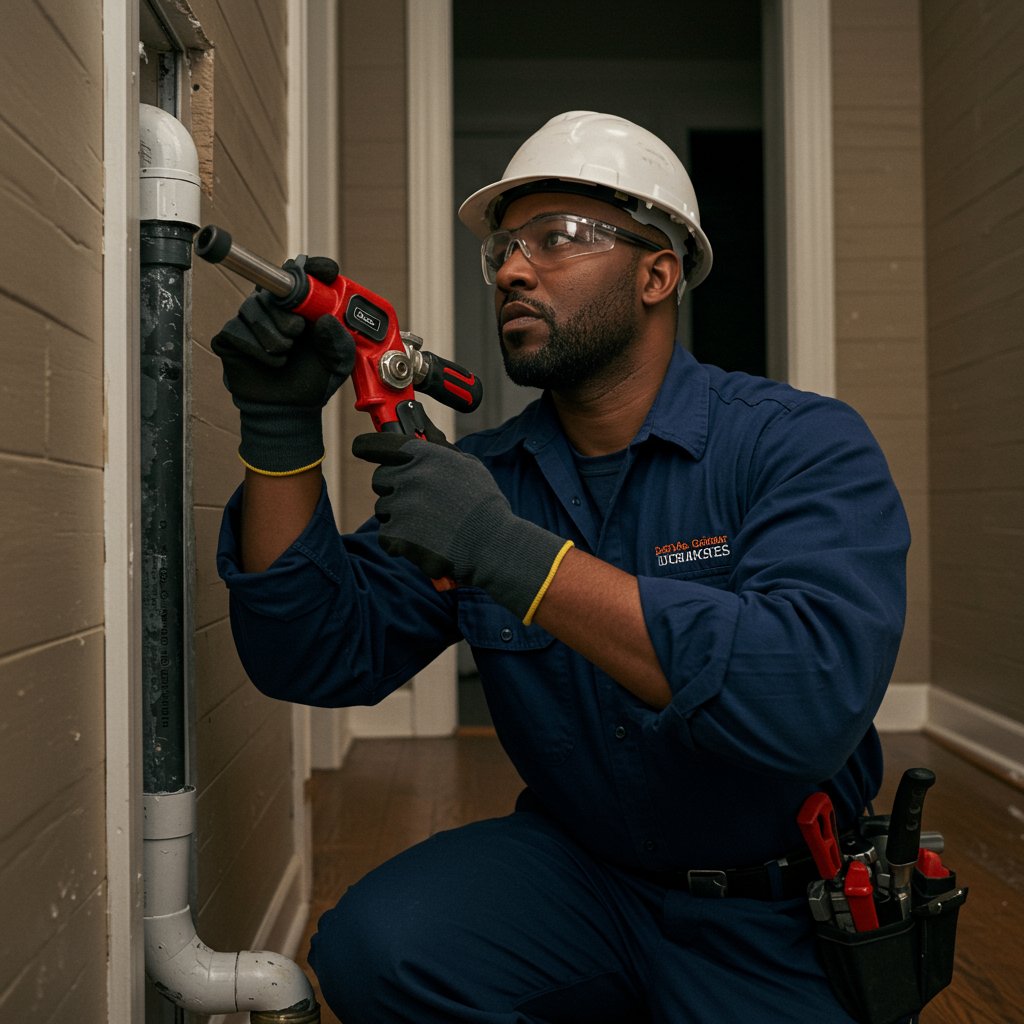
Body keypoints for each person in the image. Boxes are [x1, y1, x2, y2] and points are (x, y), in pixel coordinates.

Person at [214, 112, 910, 1023]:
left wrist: (507, 554)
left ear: (659, 272)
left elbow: (803, 700)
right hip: (582, 874)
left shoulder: (800, 445)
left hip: (780, 909)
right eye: (503, 247)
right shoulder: (487, 479)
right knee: (377, 950)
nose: (511, 268)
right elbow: (312, 653)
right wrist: (277, 433)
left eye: (558, 238)